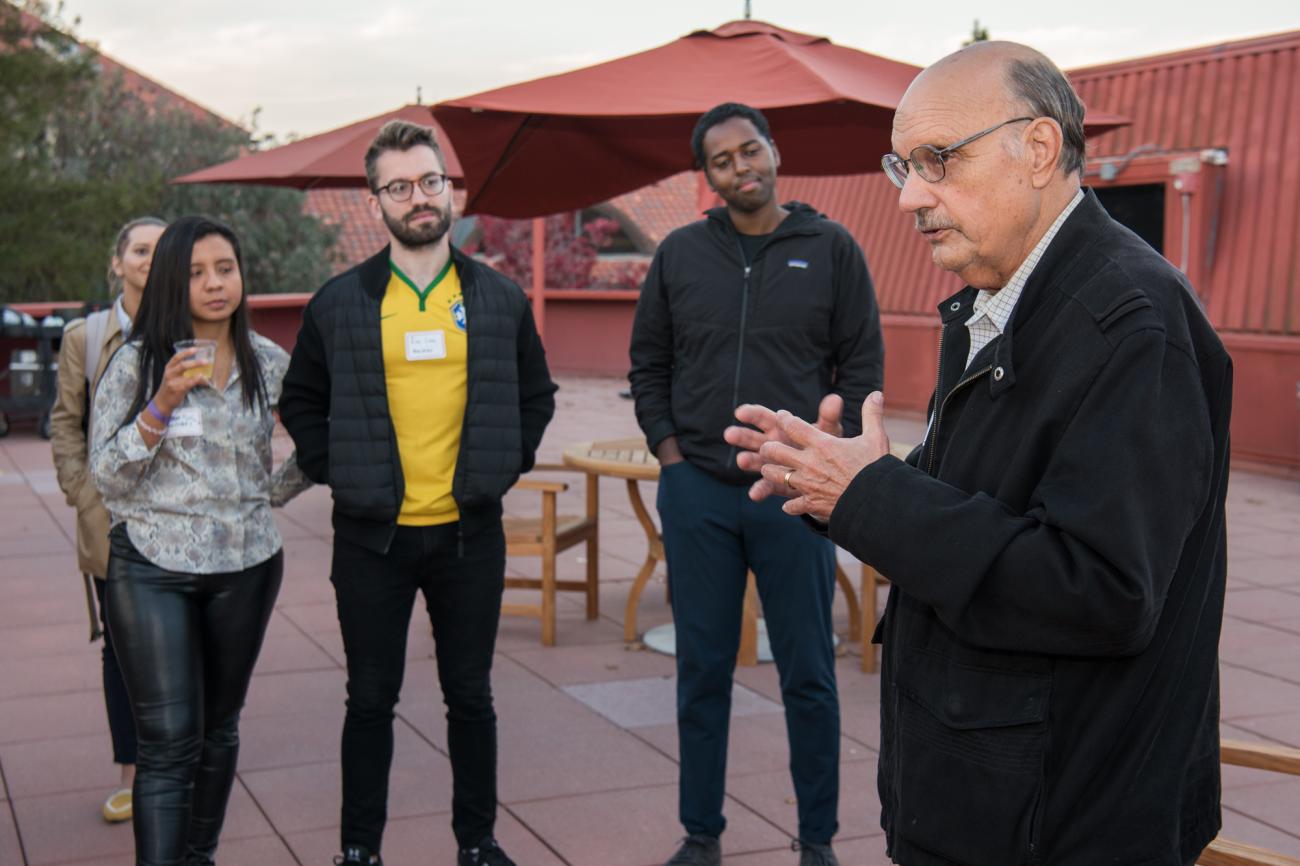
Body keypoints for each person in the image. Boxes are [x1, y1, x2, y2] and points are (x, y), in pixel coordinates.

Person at [725, 42, 1232, 866]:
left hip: (1062, 822)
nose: (911, 196)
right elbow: (998, 501)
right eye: (903, 166)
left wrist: (875, 499)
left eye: (938, 160)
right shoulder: (1005, 294)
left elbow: (1099, 590)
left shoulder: (1131, 324)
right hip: (991, 798)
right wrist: (849, 484)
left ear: (1036, 149)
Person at [279, 120, 556, 866]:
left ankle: (478, 843)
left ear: (450, 190)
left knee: (471, 696)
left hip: (469, 537)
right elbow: (301, 400)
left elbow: (536, 394)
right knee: (370, 700)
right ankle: (360, 849)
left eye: (429, 181)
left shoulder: (497, 299)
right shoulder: (341, 302)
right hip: (373, 542)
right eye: (398, 186)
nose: (418, 196)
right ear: (378, 202)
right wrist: (342, 468)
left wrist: (504, 462)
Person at [629, 102, 883, 866]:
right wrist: (670, 456)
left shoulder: (832, 249)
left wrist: (830, 453)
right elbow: (649, 364)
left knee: (808, 671)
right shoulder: (679, 255)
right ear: (706, 176)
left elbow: (862, 366)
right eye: (723, 160)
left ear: (773, 151)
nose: (742, 169)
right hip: (699, 493)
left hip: (795, 494)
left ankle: (817, 842)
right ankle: (700, 836)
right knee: (701, 671)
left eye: (751, 151)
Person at [90, 215, 310, 866]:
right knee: (167, 741)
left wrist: (269, 495)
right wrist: (159, 404)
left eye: (225, 268)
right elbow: (107, 475)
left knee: (219, 730)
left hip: (246, 566)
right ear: (168, 281)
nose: (215, 284)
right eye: (195, 273)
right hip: (152, 566)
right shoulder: (136, 362)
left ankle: (199, 857)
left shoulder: (268, 361)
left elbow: (316, 440)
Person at [51, 216, 166, 824]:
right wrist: (81, 492)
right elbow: (66, 422)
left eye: (162, 249)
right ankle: (132, 774)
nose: (152, 258)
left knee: (188, 643)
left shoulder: (196, 325)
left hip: (182, 517)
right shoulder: (87, 337)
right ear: (117, 263)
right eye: (141, 249)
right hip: (111, 520)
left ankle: (179, 763)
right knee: (122, 652)